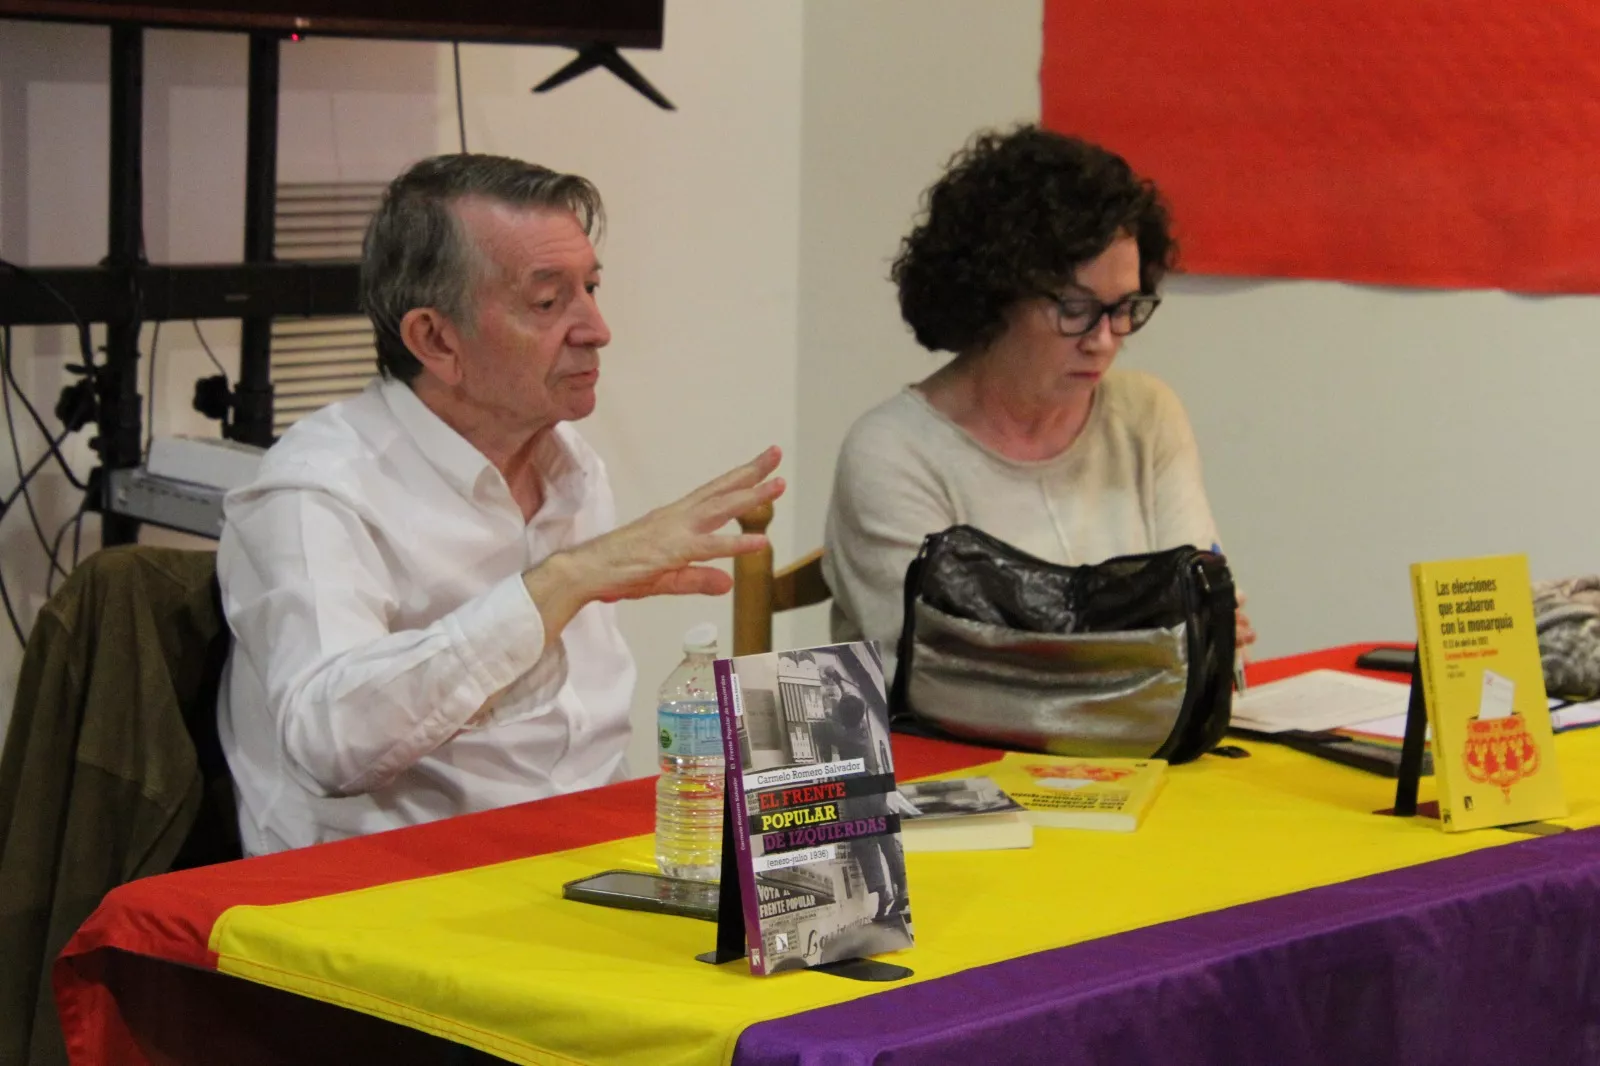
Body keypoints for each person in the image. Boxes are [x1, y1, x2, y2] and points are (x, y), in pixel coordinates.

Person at [217, 154, 783, 855]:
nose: (596, 329)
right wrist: (564, 581)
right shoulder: (319, 491)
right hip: (397, 895)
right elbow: (329, 742)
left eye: (592, 288)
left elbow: (583, 751)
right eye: (549, 303)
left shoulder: (571, 466)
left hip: (580, 861)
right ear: (436, 339)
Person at [823, 125, 1255, 658]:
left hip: (1139, 738)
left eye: (1124, 309)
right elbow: (946, 672)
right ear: (994, 295)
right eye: (1074, 309)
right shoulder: (894, 452)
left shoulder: (1148, 416)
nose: (1103, 341)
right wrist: (1147, 636)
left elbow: (1211, 632)